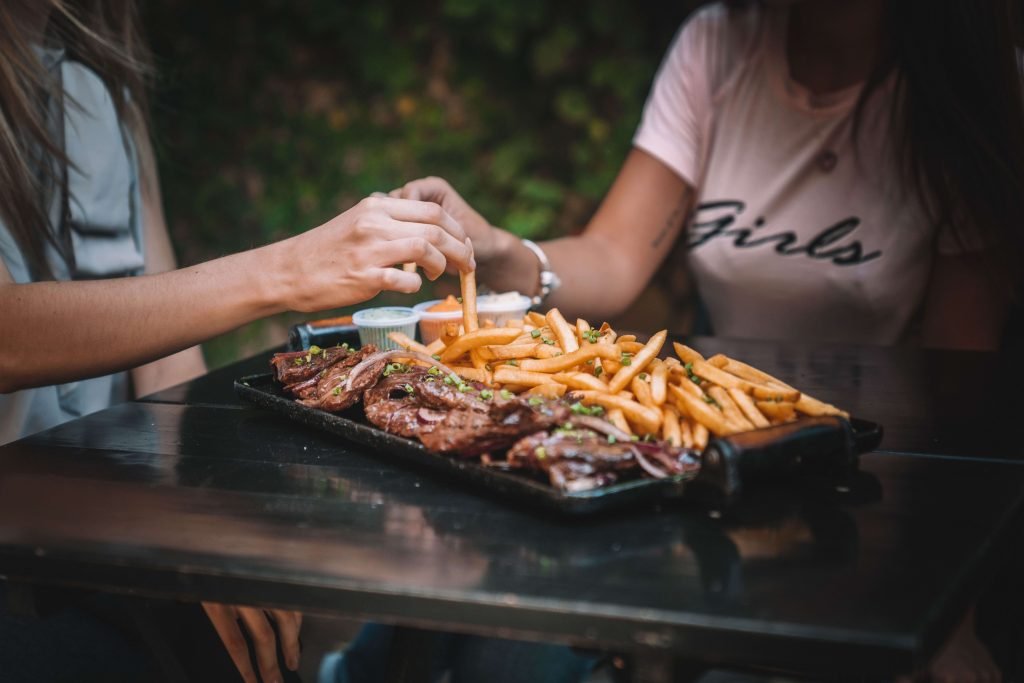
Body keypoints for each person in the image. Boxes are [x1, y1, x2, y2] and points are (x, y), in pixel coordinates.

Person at [388, 0, 1023, 680]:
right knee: (484, 638)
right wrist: (494, 244)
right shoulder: (718, 45)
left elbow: (962, 401)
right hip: (696, 476)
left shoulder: (972, 88)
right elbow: (614, 256)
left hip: (862, 505)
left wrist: (942, 610)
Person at [0, 1, 474, 682]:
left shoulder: (102, 80)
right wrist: (286, 269)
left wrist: (187, 522)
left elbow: (163, 354)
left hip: (101, 519)